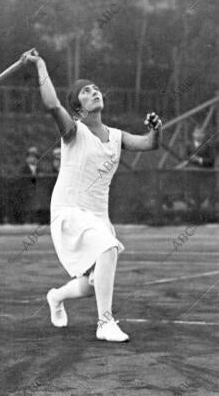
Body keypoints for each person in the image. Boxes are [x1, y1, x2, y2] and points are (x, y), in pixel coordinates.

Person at [21, 48, 162, 342]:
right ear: (78, 106)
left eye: (96, 89)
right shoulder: (74, 131)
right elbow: (51, 103)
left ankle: (56, 296)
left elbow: (150, 144)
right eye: (86, 91)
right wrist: (40, 64)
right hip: (69, 211)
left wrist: (156, 130)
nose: (94, 92)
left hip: (98, 216)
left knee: (93, 283)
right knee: (108, 248)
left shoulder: (117, 136)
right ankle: (105, 322)